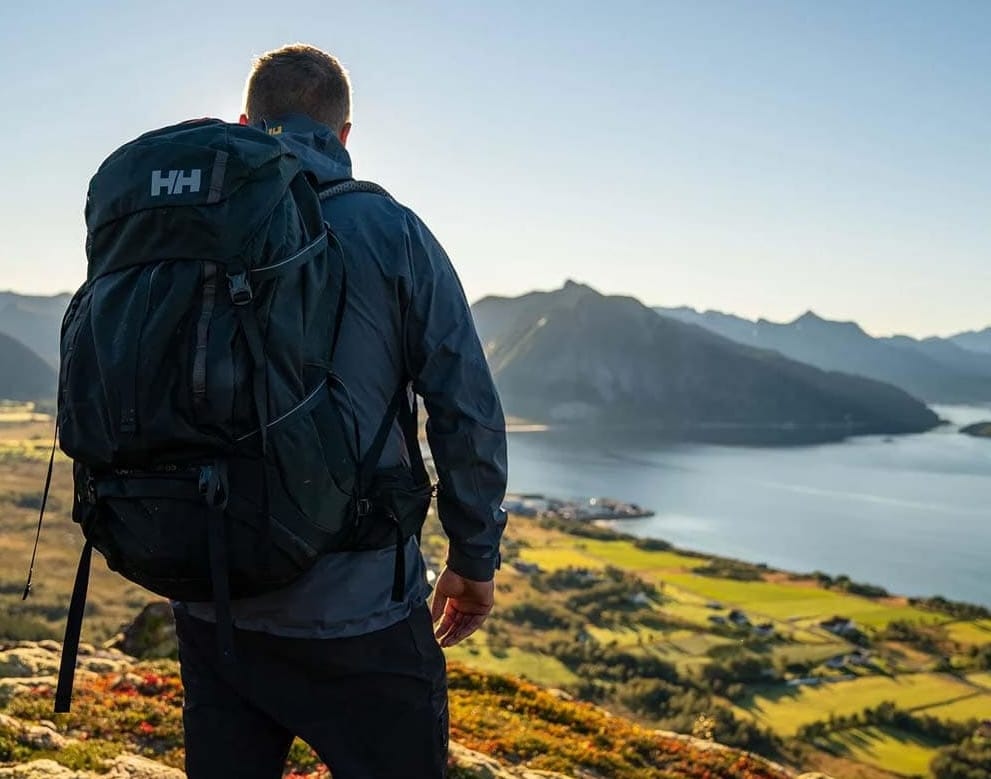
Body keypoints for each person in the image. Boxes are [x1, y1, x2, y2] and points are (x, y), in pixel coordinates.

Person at [170, 43, 508, 779]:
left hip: (210, 598)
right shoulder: (392, 232)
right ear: (345, 135)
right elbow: (465, 407)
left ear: (245, 121)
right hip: (357, 611)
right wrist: (474, 556)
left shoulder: (182, 226)